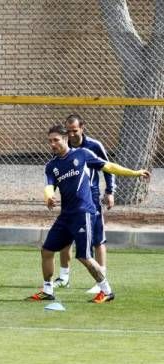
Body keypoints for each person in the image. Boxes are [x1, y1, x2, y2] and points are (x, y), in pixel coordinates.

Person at [27, 124, 149, 303]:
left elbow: (109, 167)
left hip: (84, 213)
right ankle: (47, 290)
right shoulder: (51, 165)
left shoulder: (82, 155)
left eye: (56, 140)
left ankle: (106, 291)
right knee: (47, 250)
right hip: (66, 216)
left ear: (65, 138)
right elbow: (48, 187)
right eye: (49, 141)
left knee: (84, 256)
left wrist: (134, 173)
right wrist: (49, 198)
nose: (52, 144)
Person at [53, 114, 115, 294]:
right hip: (70, 200)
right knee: (65, 238)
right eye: (69, 131)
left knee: (97, 239)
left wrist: (110, 191)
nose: (71, 134)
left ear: (82, 128)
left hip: (92, 198)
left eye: (74, 130)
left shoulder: (94, 146)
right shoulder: (64, 146)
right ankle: (64, 277)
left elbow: (108, 167)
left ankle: (101, 278)